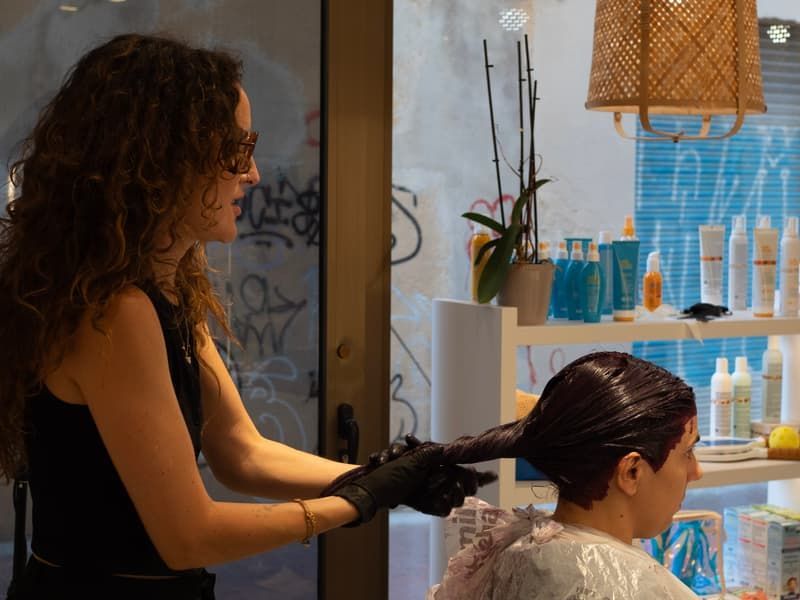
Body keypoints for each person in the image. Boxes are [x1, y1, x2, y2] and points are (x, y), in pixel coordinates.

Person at [0, 33, 490, 599]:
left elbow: (241, 452)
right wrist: (357, 500)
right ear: (162, 161)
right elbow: (190, 536)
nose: (252, 173)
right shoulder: (115, 313)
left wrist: (382, 478)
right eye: (236, 149)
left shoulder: (166, 291)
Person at [326, 352, 702, 599]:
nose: (696, 472)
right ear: (631, 471)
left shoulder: (517, 551)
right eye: (688, 452)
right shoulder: (636, 588)